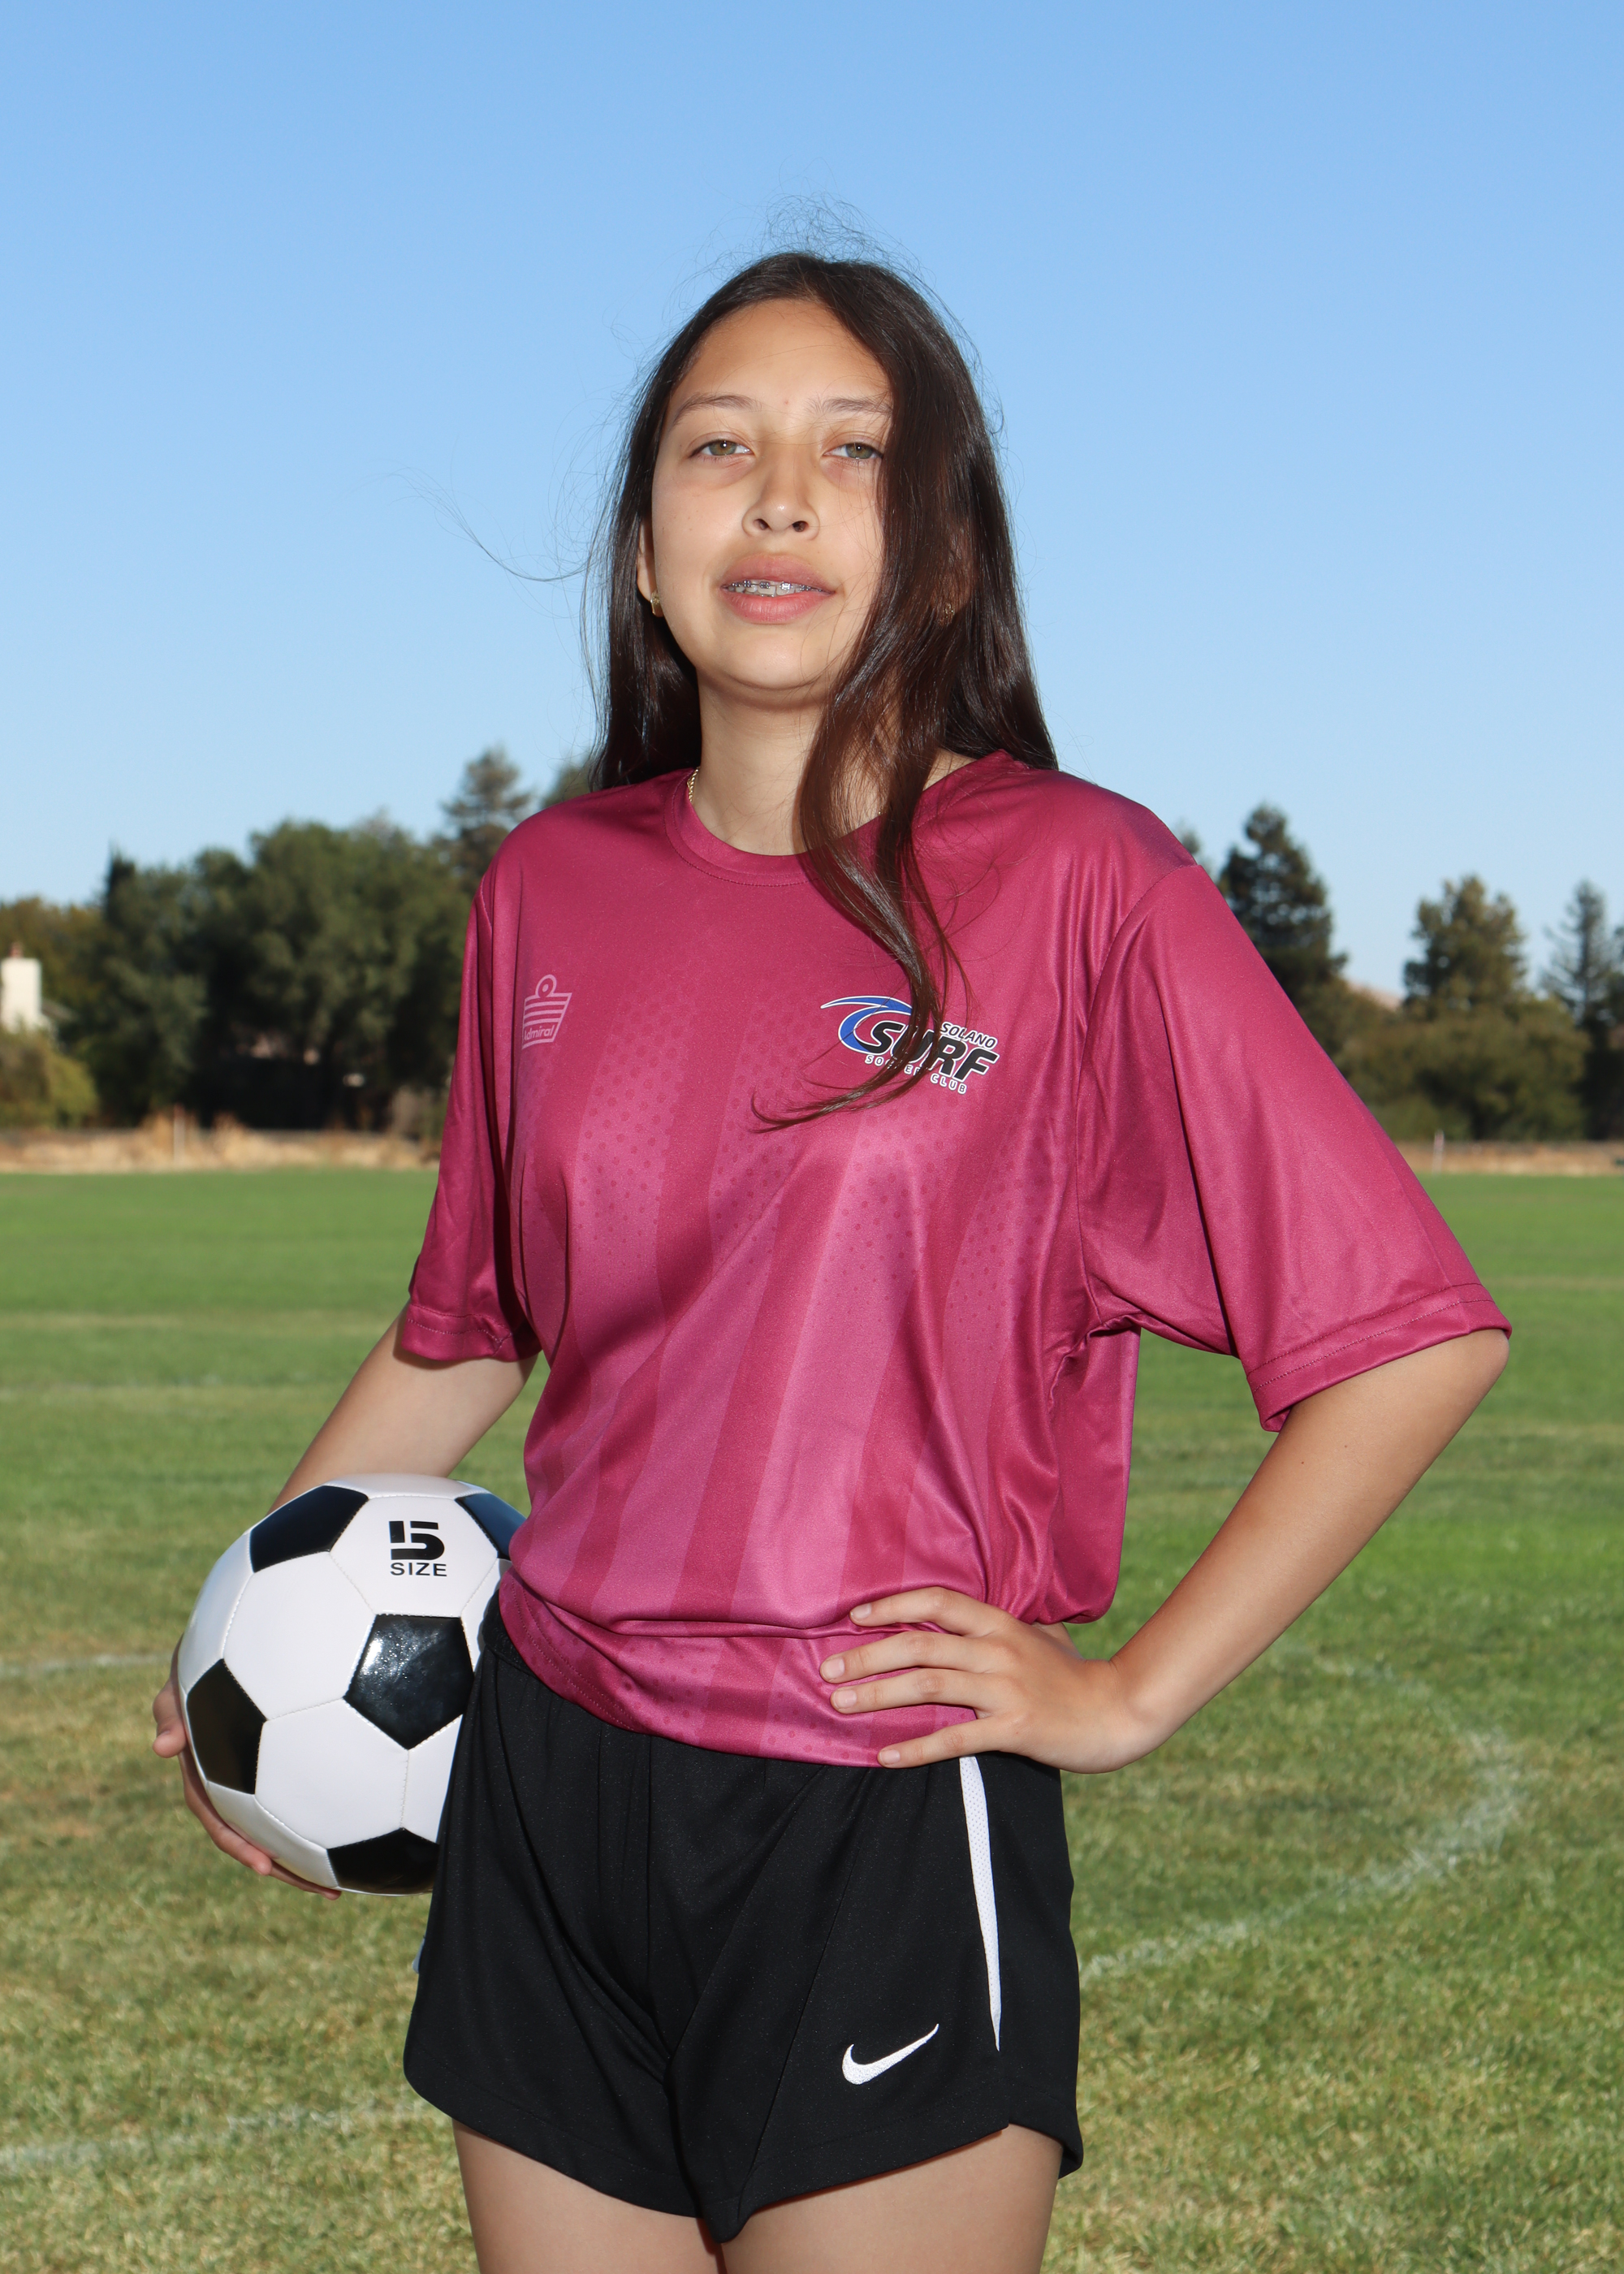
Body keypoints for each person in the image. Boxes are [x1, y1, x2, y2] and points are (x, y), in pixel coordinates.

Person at [153, 251, 1510, 2274]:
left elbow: (1406, 1337)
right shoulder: (549, 888)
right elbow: (467, 1332)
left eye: (851, 452)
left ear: (944, 556)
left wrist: (1128, 1693)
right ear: (643, 550)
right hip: (548, 1784)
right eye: (718, 448)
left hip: (873, 1798)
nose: (778, 495)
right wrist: (242, 1633)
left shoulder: (1082, 884)